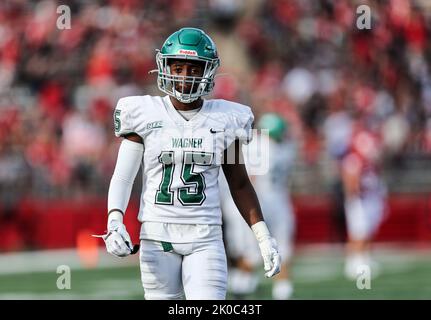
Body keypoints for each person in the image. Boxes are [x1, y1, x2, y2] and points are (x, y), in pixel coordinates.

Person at [100, 27, 281, 300]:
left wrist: (263, 236)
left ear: (208, 72)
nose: (185, 76)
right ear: (164, 67)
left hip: (206, 237)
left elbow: (240, 184)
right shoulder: (143, 113)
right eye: (178, 67)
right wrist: (115, 221)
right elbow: (123, 177)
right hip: (157, 236)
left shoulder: (226, 119)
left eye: (194, 69)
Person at [220, 113, 296, 299]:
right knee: (280, 248)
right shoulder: (286, 148)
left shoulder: (254, 145)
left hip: (256, 201)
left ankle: (242, 284)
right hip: (279, 201)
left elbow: (248, 179)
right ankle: (282, 288)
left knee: (248, 250)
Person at [341, 119, 386, 279]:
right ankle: (354, 263)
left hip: (369, 198)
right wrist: (354, 197)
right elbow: (350, 182)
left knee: (367, 231)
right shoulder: (353, 159)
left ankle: (364, 259)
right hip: (359, 200)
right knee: (358, 232)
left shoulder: (368, 161)